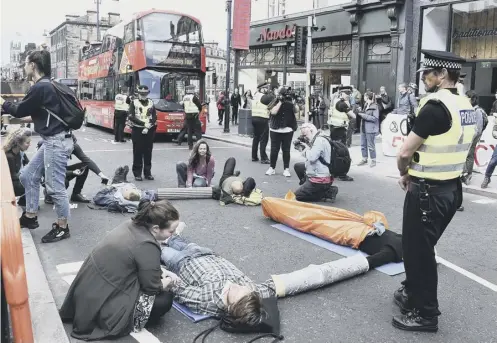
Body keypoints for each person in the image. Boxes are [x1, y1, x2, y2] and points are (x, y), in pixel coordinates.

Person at [394, 50, 476, 332]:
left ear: (442, 76)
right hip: (451, 191)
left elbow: (405, 151)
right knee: (422, 248)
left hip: (427, 192)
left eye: (429, 73)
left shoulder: (434, 107)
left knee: (418, 252)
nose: (424, 79)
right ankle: (410, 292)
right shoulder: (466, 105)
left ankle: (426, 314)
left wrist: (404, 173)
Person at [160, 227, 403, 320]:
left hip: (183, 263)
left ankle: (159, 238)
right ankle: (172, 235)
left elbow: (176, 288)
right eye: (244, 287)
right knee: (179, 238)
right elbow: (309, 278)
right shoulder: (256, 292)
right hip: (208, 254)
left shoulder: (206, 301)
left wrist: (165, 279)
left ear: (229, 307)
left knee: (158, 246)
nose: (237, 284)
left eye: (235, 290)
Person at [59, 200, 178, 340]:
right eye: (171, 230)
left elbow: (142, 264)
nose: (174, 233)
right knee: (164, 300)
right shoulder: (148, 245)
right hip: (104, 307)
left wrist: (164, 272)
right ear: (156, 228)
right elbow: (152, 288)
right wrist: (169, 281)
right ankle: (129, 321)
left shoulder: (131, 224)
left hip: (86, 296)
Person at [1, 50, 74, 243]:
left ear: (33, 65)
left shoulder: (40, 88)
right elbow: (40, 116)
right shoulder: (50, 86)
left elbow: (18, 108)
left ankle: (62, 227)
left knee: (55, 186)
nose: (24, 67)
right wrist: (16, 117)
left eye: (26, 63)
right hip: (55, 139)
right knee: (27, 175)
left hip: (56, 142)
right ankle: (30, 216)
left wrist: (2, 102)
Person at [42, 135, 109, 204]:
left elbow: (87, 161)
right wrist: (72, 172)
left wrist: (101, 174)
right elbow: (54, 171)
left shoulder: (73, 146)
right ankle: (49, 194)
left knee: (84, 166)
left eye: (73, 145)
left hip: (62, 170)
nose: (71, 148)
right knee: (65, 182)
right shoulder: (54, 149)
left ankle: (76, 194)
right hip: (50, 174)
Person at [293, 123, 338, 202]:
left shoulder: (319, 140)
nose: (305, 138)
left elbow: (312, 157)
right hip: (321, 173)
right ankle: (313, 189)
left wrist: (302, 149)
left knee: (297, 196)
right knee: (298, 166)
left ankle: (326, 193)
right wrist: (304, 145)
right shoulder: (319, 138)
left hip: (320, 178)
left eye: (305, 135)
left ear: (311, 130)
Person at [265, 87, 298, 177]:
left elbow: (296, 111)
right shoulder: (275, 101)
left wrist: (294, 100)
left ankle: (286, 169)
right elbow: (273, 112)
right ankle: (272, 168)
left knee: (286, 150)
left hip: (288, 129)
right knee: (274, 149)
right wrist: (280, 101)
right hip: (275, 129)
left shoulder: (290, 102)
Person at [128, 85, 157, 181]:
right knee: (138, 152)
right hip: (137, 130)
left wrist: (149, 124)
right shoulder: (134, 102)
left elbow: (154, 116)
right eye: (141, 94)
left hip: (149, 130)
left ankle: (148, 173)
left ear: (147, 94)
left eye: (145, 94)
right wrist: (144, 124)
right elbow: (131, 116)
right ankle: (137, 173)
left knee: (148, 152)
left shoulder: (151, 102)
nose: (143, 95)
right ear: (138, 94)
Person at [329, 86, 356, 181]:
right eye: (346, 94)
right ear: (341, 94)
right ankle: (342, 174)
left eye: (349, 94)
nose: (348, 96)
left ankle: (334, 172)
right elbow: (353, 115)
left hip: (334, 128)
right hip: (339, 130)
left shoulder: (336, 101)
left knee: (334, 151)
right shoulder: (342, 104)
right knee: (342, 153)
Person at [461, 91, 488, 186]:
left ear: (472, 99)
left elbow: (478, 129)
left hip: (473, 137)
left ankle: (467, 174)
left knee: (469, 155)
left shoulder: (477, 111)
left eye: (467, 97)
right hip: (471, 137)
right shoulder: (472, 110)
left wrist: (470, 138)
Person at [3, 128, 31, 207]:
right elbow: (12, 176)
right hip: (7, 184)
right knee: (30, 183)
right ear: (19, 143)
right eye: (27, 143)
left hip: (14, 180)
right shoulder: (9, 156)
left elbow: (30, 165)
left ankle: (24, 201)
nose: (29, 145)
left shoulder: (20, 153)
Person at [357, 91, 380, 168]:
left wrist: (363, 115)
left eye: (365, 96)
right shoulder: (366, 105)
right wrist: (360, 111)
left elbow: (375, 118)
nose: (363, 98)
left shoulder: (375, 106)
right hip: (363, 127)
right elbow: (364, 114)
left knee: (371, 145)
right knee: (363, 144)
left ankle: (373, 160)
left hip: (370, 128)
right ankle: (364, 158)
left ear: (367, 97)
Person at [251, 83, 272, 164]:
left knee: (256, 138)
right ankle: (263, 158)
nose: (267, 89)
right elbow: (272, 100)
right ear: (261, 88)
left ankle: (254, 156)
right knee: (263, 139)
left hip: (254, 118)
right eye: (266, 88)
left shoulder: (255, 95)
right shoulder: (263, 96)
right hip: (262, 118)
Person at [179, 85, 203, 150]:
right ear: (192, 90)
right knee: (197, 131)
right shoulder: (194, 97)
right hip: (195, 115)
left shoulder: (184, 97)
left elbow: (183, 106)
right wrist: (199, 111)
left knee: (189, 131)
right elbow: (199, 106)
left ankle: (190, 145)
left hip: (188, 116)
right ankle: (199, 144)